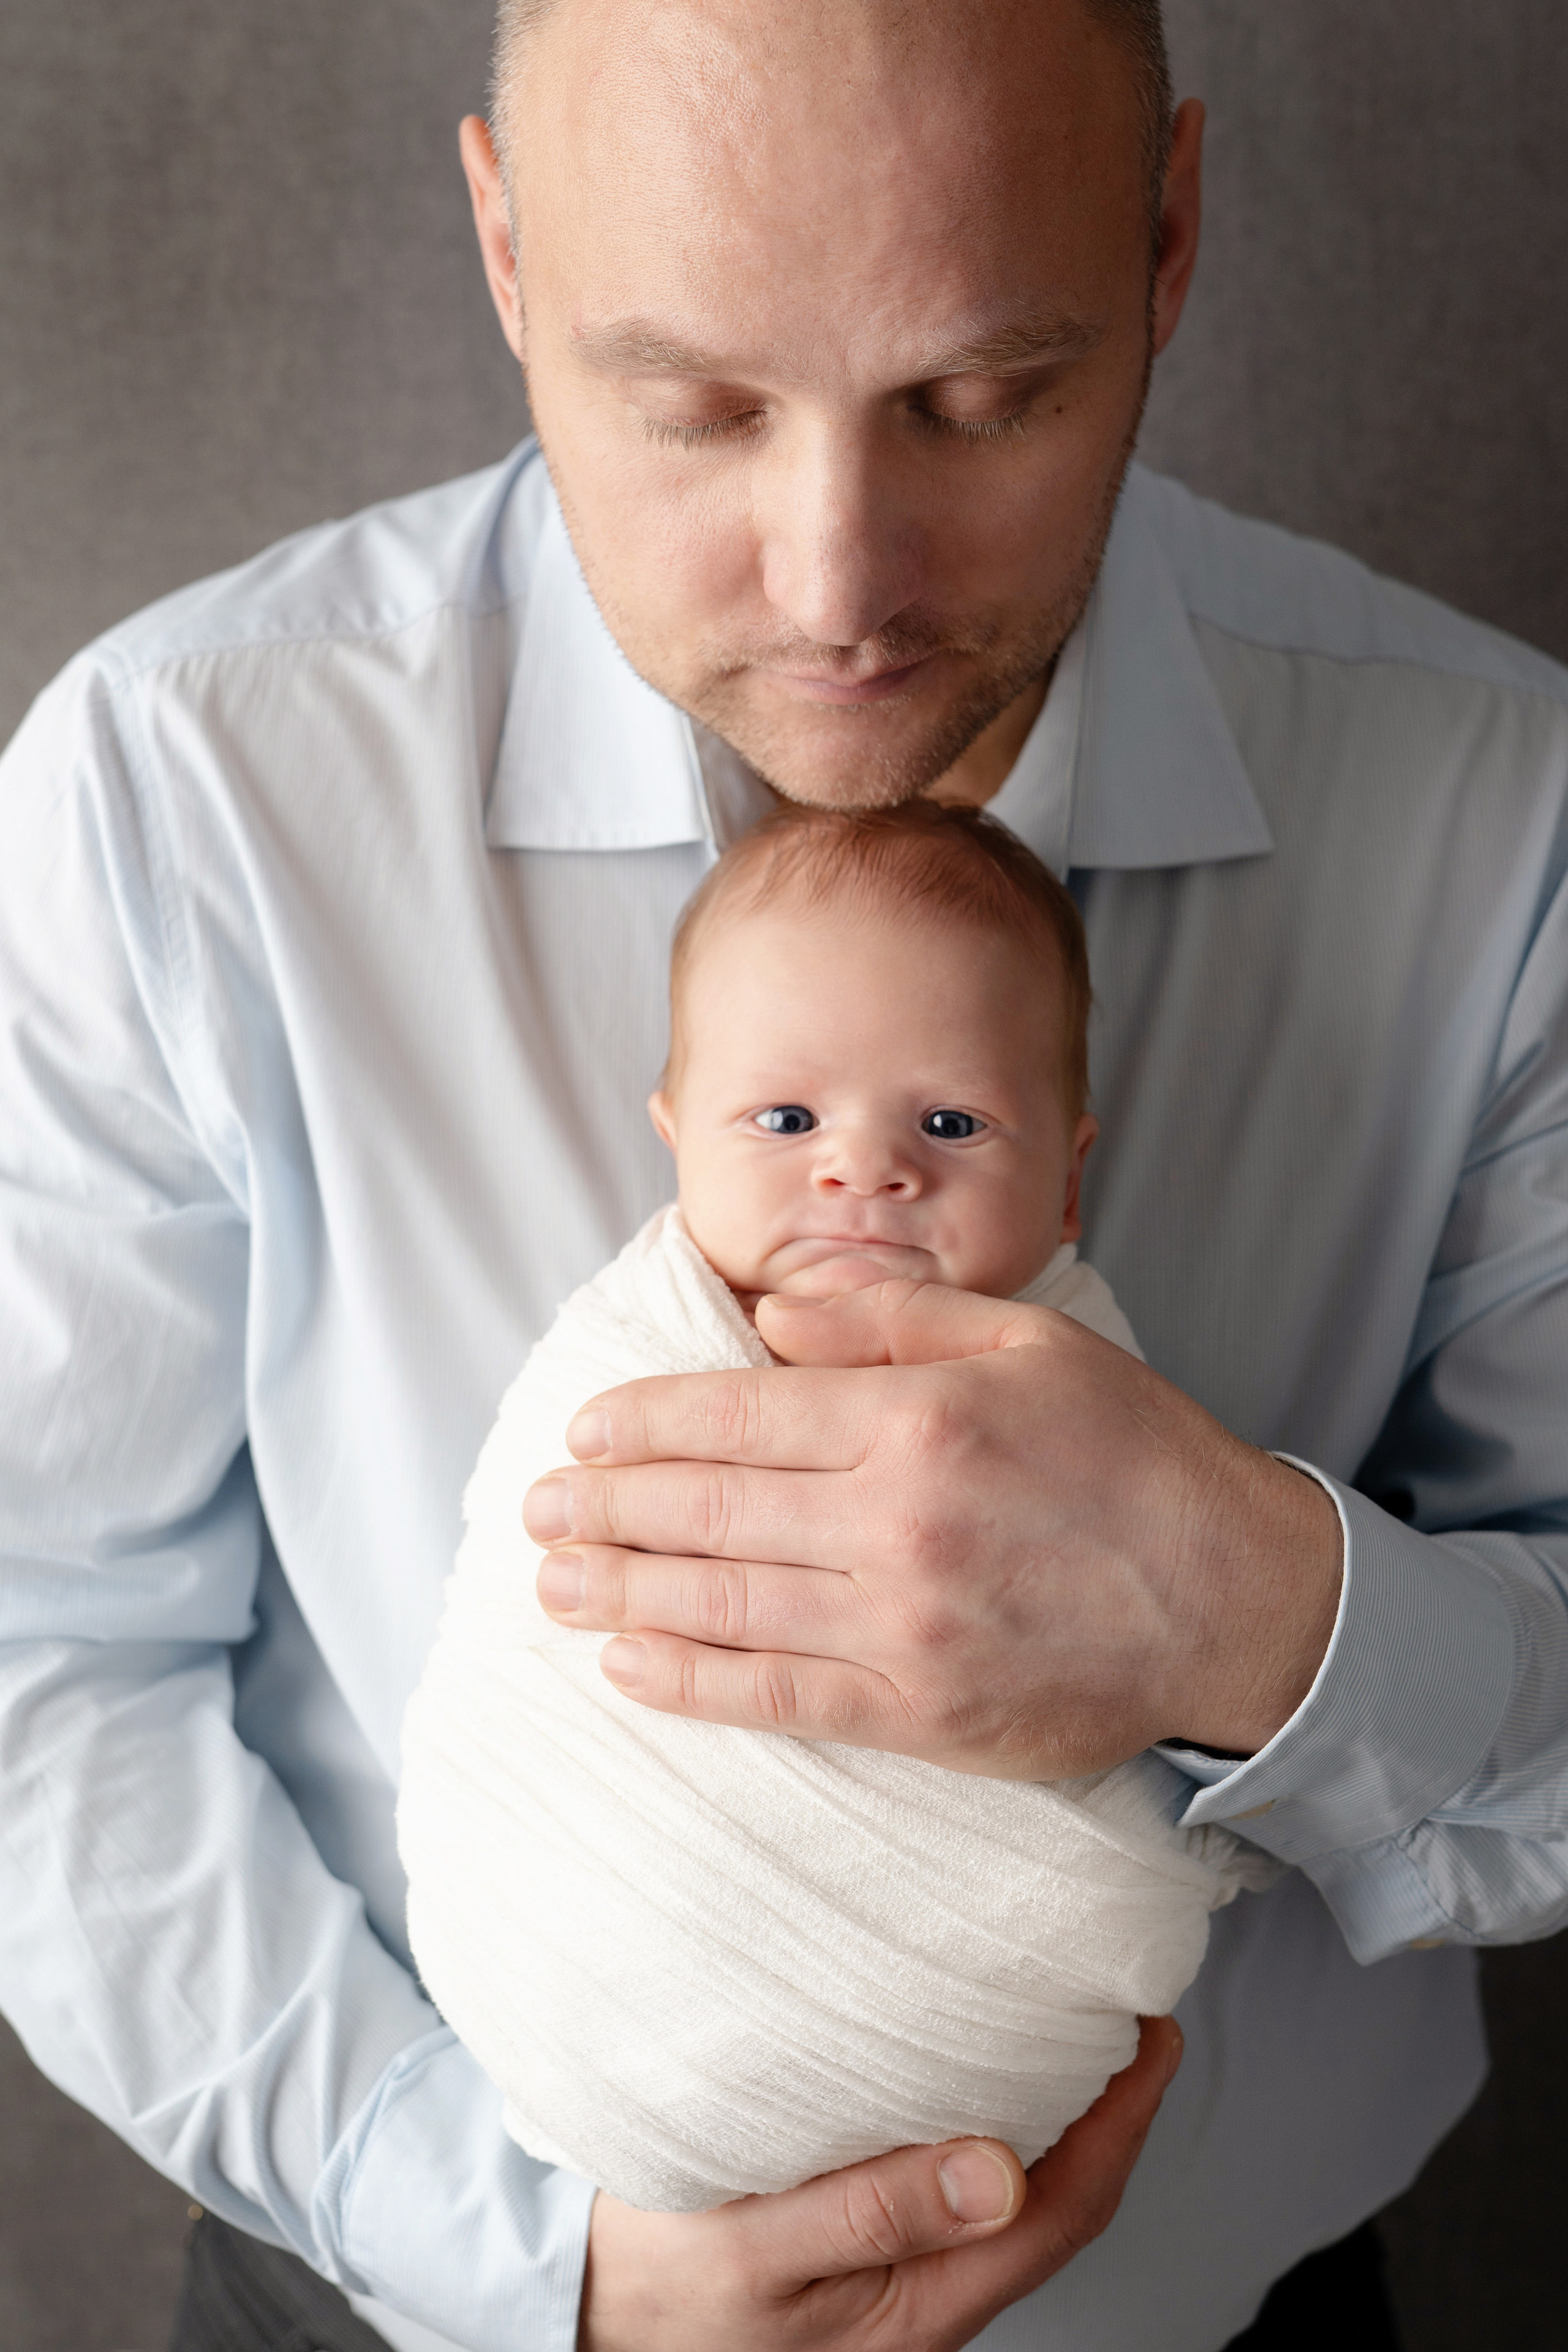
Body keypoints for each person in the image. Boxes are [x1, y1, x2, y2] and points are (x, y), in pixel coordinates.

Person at [0, 0, 1563, 2348]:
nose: (840, 574)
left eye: (979, 399)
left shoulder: (1504, 816)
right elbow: (43, 1661)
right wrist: (535, 2268)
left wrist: (1249, 1615)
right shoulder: (178, 798)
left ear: (1167, 237)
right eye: (696, 406)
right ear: (508, 251)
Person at [398, 801, 1262, 2218]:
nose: (865, 1169)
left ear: (1068, 1177)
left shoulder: (1081, 1380)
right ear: (676, 1141)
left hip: (981, 2050)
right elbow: (524, 1610)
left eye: (950, 1122)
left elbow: (1145, 1636)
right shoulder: (628, 1351)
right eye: (786, 1119)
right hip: (592, 1964)